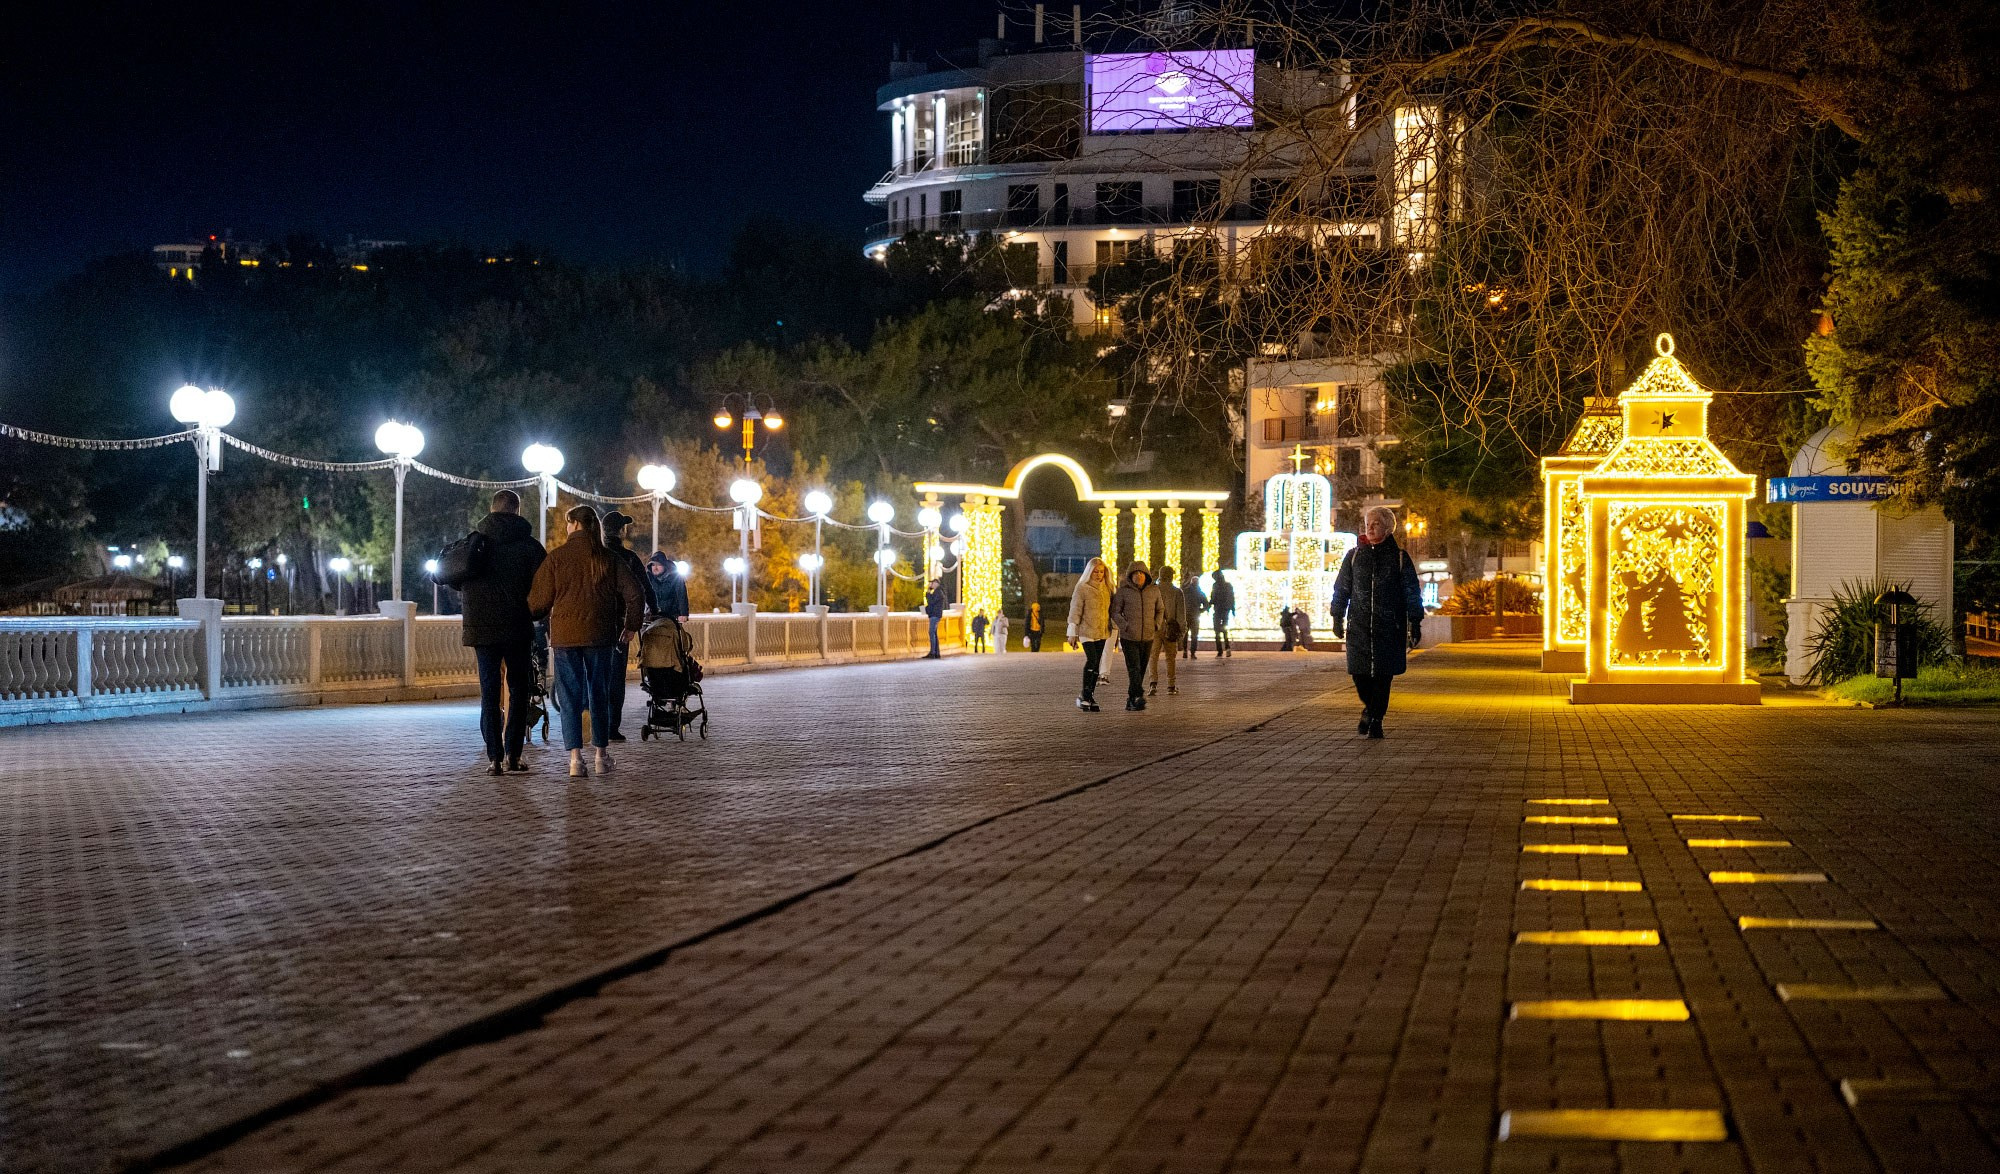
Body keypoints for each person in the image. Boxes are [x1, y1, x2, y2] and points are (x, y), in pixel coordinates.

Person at [528, 504, 645, 777]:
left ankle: (574, 760)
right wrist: (631, 626)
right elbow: (636, 593)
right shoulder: (608, 558)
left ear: (576, 524)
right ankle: (601, 756)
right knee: (599, 693)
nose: (567, 527)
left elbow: (536, 603)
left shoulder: (557, 558)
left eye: (569, 523)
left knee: (570, 696)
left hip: (566, 638)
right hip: (601, 635)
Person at [459, 489, 546, 775]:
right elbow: (545, 585)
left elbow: (455, 576)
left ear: (492, 510)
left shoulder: (476, 543)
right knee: (519, 690)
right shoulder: (530, 547)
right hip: (517, 626)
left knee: (489, 691)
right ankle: (513, 756)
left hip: (482, 628)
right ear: (517, 511)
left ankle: (493, 759)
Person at [1330, 504, 1426, 739]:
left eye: (1376, 524)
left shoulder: (1400, 558)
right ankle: (1369, 709)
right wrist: (1337, 615)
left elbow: (1411, 591)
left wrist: (1415, 621)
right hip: (1359, 627)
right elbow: (1342, 588)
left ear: (1388, 529)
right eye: (1367, 524)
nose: (1370, 529)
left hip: (1388, 628)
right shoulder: (1353, 557)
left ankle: (1376, 720)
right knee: (1360, 675)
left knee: (1383, 678)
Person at [599, 511, 654, 742]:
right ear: (622, 531)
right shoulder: (628, 558)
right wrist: (654, 609)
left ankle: (593, 725)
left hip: (594, 624)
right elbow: (644, 589)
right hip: (619, 626)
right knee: (614, 678)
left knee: (595, 676)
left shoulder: (596, 555)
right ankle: (611, 726)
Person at [1108, 561, 1164, 710]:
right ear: (1130, 576)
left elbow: (1160, 609)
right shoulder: (1123, 591)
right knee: (1134, 667)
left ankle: (1132, 699)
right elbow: (1115, 611)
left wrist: (1156, 625)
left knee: (1142, 667)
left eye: (1141, 573)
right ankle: (1138, 695)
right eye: (1135, 573)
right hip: (1129, 637)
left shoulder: (1154, 591)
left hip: (1148, 636)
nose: (1138, 576)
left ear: (1146, 575)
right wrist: (1124, 625)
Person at [1066, 557, 1113, 711]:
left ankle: (1089, 696)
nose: (1098, 575)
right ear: (1089, 572)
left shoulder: (1107, 588)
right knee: (1092, 660)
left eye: (1101, 572)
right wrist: (1072, 632)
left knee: (1097, 664)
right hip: (1086, 629)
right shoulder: (1082, 588)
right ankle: (1084, 695)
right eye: (1095, 572)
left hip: (1102, 630)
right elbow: (1075, 610)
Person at [1149, 563, 1186, 697]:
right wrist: (1182, 631)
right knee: (1170, 657)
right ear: (1171, 576)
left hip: (1155, 628)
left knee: (1153, 656)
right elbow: (1181, 614)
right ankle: (1171, 685)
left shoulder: (1152, 590)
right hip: (1171, 629)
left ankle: (1153, 683)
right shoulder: (1177, 592)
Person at [645, 551, 690, 623]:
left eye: (658, 565)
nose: (655, 568)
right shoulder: (647, 578)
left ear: (665, 566)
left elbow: (681, 595)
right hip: (651, 616)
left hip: (671, 616)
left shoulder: (675, 577)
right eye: (653, 565)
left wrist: (683, 613)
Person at [1209, 568, 1235, 658]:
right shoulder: (1228, 585)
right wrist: (1233, 609)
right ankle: (1227, 648)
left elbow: (1213, 597)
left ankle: (1220, 651)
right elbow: (1232, 598)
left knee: (1217, 631)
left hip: (1218, 610)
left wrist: (1208, 606)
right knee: (1224, 630)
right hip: (1225, 610)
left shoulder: (1215, 585)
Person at [1181, 570, 1206, 658]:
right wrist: (1201, 610)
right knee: (1194, 635)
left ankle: (1184, 650)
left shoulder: (1186, 591)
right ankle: (1192, 653)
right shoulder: (1200, 592)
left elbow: (1181, 601)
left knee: (1185, 634)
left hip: (1186, 615)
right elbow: (1206, 604)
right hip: (1195, 615)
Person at [923, 578, 947, 659]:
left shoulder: (938, 592)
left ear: (936, 583)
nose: (931, 585)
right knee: (934, 634)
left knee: (931, 632)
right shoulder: (939, 592)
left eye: (932, 583)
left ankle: (933, 652)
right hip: (935, 615)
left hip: (935, 615)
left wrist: (928, 593)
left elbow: (931, 602)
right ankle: (936, 653)